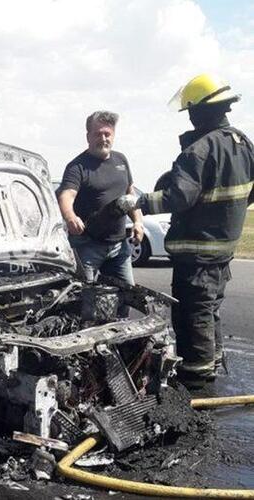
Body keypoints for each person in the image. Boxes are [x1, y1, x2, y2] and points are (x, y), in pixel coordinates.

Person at [116, 74, 254, 388]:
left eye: (190, 111)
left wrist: (137, 201)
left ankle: (196, 378)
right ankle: (212, 361)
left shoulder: (199, 151)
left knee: (193, 315)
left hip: (198, 250)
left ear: (199, 111)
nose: (189, 117)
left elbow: (177, 197)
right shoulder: (242, 142)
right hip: (223, 248)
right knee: (210, 309)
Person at [57, 111, 144, 291]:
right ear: (88, 136)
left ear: (113, 135)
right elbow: (66, 196)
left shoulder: (121, 160)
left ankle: (120, 320)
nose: (103, 138)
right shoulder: (77, 166)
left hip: (119, 248)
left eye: (107, 134)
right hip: (87, 246)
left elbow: (130, 194)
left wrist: (138, 222)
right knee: (83, 297)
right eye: (97, 134)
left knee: (127, 295)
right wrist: (70, 216)